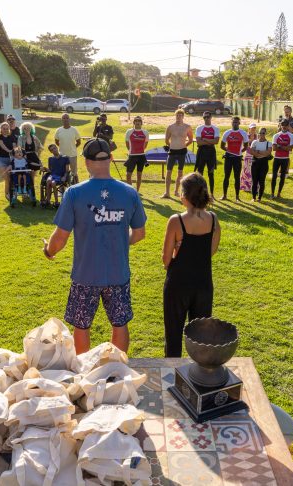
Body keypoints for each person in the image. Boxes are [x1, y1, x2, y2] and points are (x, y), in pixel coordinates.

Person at [43, 138, 147, 354]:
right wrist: (119, 238)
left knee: (81, 325)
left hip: (85, 274)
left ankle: (82, 374)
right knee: (120, 323)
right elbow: (139, 234)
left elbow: (60, 238)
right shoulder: (130, 193)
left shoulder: (74, 193)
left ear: (87, 163)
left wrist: (48, 250)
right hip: (118, 273)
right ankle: (118, 370)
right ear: (110, 158)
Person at [162, 173, 220, 357]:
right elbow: (210, 251)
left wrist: (176, 253)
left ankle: (172, 377)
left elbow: (166, 259)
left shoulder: (176, 221)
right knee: (200, 336)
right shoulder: (213, 219)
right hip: (203, 284)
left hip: (178, 285)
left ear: (184, 196)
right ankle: (200, 375)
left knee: (173, 334)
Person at [163, 109, 193, 198]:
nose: (179, 117)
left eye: (180, 115)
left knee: (180, 172)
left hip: (182, 152)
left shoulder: (187, 127)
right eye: (177, 115)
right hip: (172, 151)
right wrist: (172, 145)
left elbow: (191, 140)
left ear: (183, 117)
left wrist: (184, 145)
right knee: (168, 172)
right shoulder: (170, 127)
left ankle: (176, 191)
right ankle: (167, 192)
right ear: (175, 116)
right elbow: (166, 140)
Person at [220, 117, 249, 201]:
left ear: (239, 123)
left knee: (237, 177)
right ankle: (224, 195)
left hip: (237, 158)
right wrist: (229, 150)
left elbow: (246, 146)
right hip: (228, 157)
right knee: (226, 176)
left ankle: (237, 197)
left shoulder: (243, 133)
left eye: (236, 122)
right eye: (233, 122)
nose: (235, 124)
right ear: (231, 123)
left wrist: (239, 152)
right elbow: (222, 146)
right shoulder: (227, 133)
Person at [194, 111, 220, 198]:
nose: (206, 119)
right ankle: (199, 193)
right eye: (204, 117)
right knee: (199, 173)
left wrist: (204, 139)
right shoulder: (199, 128)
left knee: (211, 173)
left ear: (211, 117)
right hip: (201, 152)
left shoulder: (215, 128)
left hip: (211, 152)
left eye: (208, 117)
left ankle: (211, 194)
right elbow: (198, 142)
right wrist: (209, 141)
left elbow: (216, 141)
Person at [124, 116, 149, 192]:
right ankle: (131, 191)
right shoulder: (129, 132)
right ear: (134, 122)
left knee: (139, 175)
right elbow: (127, 143)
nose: (137, 122)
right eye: (136, 121)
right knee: (128, 175)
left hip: (141, 156)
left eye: (139, 121)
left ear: (141, 123)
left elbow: (146, 144)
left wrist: (139, 151)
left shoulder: (145, 132)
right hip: (132, 156)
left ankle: (137, 192)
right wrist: (131, 151)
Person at [271, 119, 293, 199]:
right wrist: (285, 147)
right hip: (277, 158)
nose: (284, 126)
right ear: (280, 126)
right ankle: (272, 193)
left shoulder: (291, 136)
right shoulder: (276, 135)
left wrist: (280, 146)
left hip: (285, 159)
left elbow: (290, 149)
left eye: (286, 125)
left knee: (282, 177)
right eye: (283, 125)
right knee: (274, 176)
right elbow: (274, 148)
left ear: (288, 126)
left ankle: (278, 193)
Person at [55, 113, 81, 182]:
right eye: (64, 118)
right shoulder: (58, 130)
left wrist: (73, 147)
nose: (65, 119)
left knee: (74, 173)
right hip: (62, 155)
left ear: (69, 119)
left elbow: (79, 142)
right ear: (61, 120)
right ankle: (62, 190)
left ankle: (77, 186)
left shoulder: (74, 130)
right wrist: (63, 147)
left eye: (67, 118)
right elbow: (56, 141)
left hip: (72, 155)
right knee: (62, 173)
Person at [249, 127, 273, 201]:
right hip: (255, 163)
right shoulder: (254, 142)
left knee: (261, 181)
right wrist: (262, 153)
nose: (261, 134)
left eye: (263, 133)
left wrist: (258, 151)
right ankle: (254, 197)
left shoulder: (269, 143)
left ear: (265, 134)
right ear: (258, 133)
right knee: (254, 181)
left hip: (264, 164)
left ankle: (259, 197)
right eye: (260, 133)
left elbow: (268, 153)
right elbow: (252, 152)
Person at [0, 122, 17, 200]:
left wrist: (14, 153)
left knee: (12, 177)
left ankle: (12, 192)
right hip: (0, 159)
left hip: (10, 159)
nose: (5, 130)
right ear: (1, 129)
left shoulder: (12, 136)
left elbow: (14, 146)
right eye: (3, 128)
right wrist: (9, 151)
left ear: (9, 129)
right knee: (7, 177)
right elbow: (2, 145)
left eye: (7, 128)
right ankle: (7, 194)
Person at [241, 123, 257, 191]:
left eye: (254, 128)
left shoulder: (257, 136)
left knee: (254, 172)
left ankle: (253, 186)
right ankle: (246, 187)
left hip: (255, 156)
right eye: (252, 128)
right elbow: (244, 146)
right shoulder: (246, 136)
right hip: (247, 156)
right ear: (249, 129)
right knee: (246, 172)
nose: (253, 129)